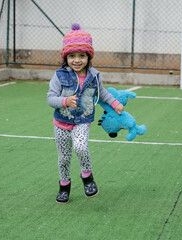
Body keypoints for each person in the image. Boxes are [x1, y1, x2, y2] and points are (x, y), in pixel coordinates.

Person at [46, 23, 124, 204]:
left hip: (82, 121)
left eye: (82, 55)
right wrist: (64, 101)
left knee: (80, 147)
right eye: (72, 56)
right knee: (64, 158)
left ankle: (87, 177)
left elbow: (102, 93)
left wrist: (115, 103)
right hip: (61, 123)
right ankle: (64, 186)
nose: (77, 60)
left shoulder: (94, 76)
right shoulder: (59, 76)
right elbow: (50, 98)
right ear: (66, 57)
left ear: (89, 57)